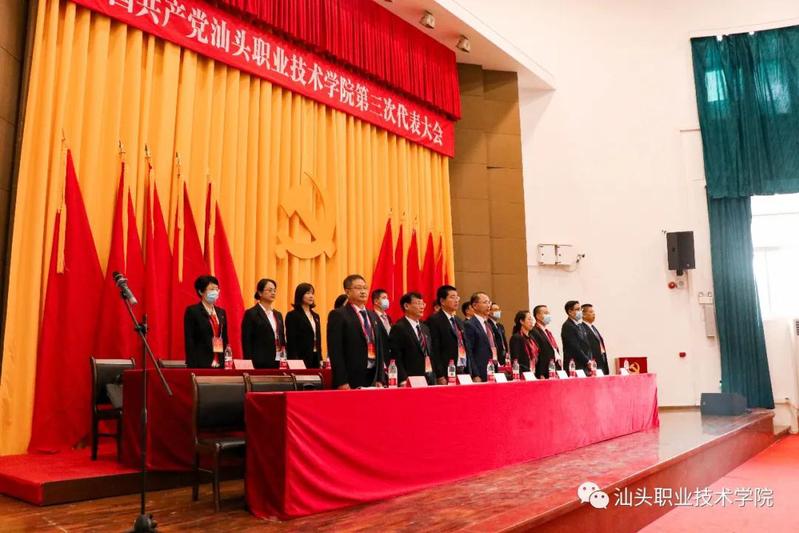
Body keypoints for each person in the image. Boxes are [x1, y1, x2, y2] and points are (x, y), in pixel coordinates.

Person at [327, 274, 386, 389]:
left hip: (373, 376)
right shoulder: (338, 315)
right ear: (347, 292)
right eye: (358, 288)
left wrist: (380, 378)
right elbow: (335, 351)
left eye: (365, 288)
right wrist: (341, 381)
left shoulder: (373, 315)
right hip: (350, 378)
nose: (363, 291)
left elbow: (379, 347)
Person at [389, 292, 435, 385]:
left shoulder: (425, 328)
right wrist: (403, 379)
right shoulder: (399, 328)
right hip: (410, 379)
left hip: (428, 377)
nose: (422, 307)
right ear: (406, 306)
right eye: (418, 303)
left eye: (423, 304)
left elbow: (429, 353)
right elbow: (396, 356)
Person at [427, 285, 469, 384]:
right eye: (452, 297)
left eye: (457, 297)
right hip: (446, 371)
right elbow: (434, 350)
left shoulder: (458, 320)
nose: (456, 300)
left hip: (462, 368)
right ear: (442, 301)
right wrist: (440, 374)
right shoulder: (434, 320)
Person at [184, 275, 229, 368]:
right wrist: (192, 365)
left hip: (220, 363)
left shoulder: (221, 312)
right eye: (212, 289)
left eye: (217, 289)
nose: (215, 292)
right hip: (201, 363)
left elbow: (224, 338)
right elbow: (189, 340)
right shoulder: (193, 311)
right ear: (201, 292)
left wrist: (225, 361)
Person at [241, 279, 286, 369]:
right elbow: (246, 340)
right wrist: (248, 363)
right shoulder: (251, 313)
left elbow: (281, 337)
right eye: (269, 290)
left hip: (278, 360)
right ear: (260, 293)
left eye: (274, 290)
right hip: (259, 361)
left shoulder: (278, 314)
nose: (273, 293)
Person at [285, 282, 322, 369]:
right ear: (300, 295)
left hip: (315, 356)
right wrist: (294, 360)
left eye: (312, 293)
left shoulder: (316, 316)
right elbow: (291, 341)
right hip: (300, 357)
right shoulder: (292, 315)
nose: (311, 296)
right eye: (308, 293)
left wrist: (320, 358)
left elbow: (318, 338)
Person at [463, 292, 496, 382]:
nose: (488, 305)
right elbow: (469, 352)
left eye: (489, 302)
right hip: (480, 372)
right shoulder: (469, 325)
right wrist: (475, 374)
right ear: (475, 305)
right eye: (485, 302)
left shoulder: (488, 325)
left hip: (492, 370)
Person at [529, 305, 562, 378]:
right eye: (546, 313)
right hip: (544, 371)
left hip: (553, 368)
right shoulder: (534, 331)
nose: (548, 315)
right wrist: (541, 373)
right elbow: (538, 353)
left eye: (548, 313)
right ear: (537, 316)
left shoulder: (547, 332)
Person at [561, 300, 591, 372]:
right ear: (570, 312)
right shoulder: (567, 326)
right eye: (577, 309)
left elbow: (586, 345)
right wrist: (587, 361)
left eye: (580, 309)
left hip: (584, 365)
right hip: (574, 365)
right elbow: (575, 347)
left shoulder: (580, 325)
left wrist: (589, 360)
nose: (580, 311)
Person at [581, 303, 610, 375]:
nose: (594, 314)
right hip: (593, 362)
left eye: (593, 312)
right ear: (583, 315)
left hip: (601, 359)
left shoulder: (593, 327)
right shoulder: (582, 328)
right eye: (591, 312)